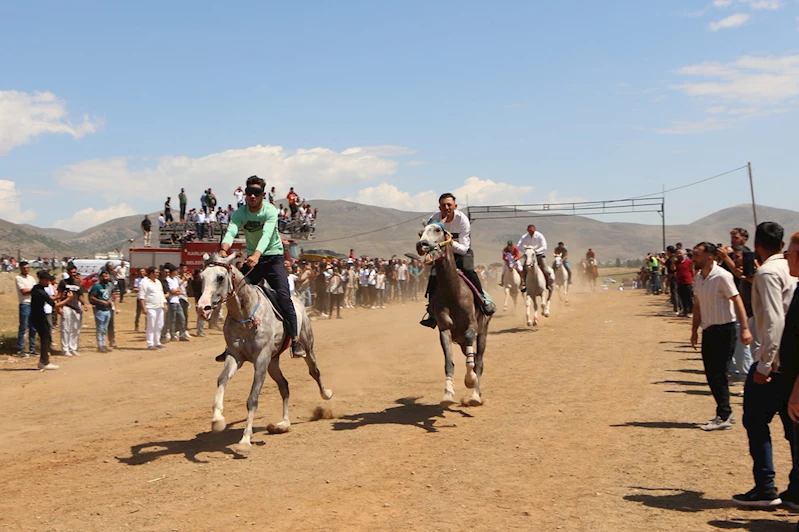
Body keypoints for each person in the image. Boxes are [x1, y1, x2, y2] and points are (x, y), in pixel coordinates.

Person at [733, 222, 798, 508]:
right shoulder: (788, 267)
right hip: (790, 362)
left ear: (757, 243)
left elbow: (774, 321)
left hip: (775, 363)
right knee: (791, 427)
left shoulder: (769, 271)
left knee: (756, 421)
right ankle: (795, 491)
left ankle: (765, 486)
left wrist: (764, 365)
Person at [220, 175, 305, 358]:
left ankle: (296, 340)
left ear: (263, 195)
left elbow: (267, 235)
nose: (252, 196)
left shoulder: (270, 211)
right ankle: (231, 344)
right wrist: (223, 249)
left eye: (256, 193)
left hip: (272, 259)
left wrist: (257, 255)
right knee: (234, 294)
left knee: (283, 297)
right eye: (249, 192)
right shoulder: (240, 213)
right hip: (254, 260)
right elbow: (231, 231)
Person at [691, 242, 753, 431]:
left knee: (719, 373)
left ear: (709, 257)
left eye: (697, 255)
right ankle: (725, 412)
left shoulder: (722, 276)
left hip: (725, 330)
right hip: (709, 331)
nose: (694, 258)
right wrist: (694, 330)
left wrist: (744, 328)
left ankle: (724, 415)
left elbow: (737, 300)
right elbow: (698, 305)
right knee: (711, 374)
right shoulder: (699, 278)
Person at [420, 193, 496, 328]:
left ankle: (483, 300)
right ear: (439, 207)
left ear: (455, 206)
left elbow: (464, 248)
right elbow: (430, 240)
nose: (447, 207)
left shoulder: (463, 220)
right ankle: (431, 312)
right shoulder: (434, 219)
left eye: (449, 204)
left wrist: (448, 242)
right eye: (443, 205)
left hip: (461, 253)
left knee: (468, 270)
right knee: (433, 276)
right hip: (442, 254)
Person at [30, 271, 74, 370]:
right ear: (41, 280)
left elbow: (48, 299)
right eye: (46, 280)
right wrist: (68, 299)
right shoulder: (40, 291)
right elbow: (55, 305)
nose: (48, 283)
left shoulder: (37, 288)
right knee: (46, 338)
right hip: (39, 317)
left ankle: (44, 360)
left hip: (38, 316)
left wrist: (60, 297)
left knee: (46, 337)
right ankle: (44, 362)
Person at [58, 266, 88, 357]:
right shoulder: (63, 282)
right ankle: (65, 349)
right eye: (71, 272)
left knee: (75, 328)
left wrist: (84, 304)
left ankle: (73, 347)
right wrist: (59, 307)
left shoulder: (78, 283)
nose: (73, 274)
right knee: (66, 328)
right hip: (66, 306)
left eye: (74, 272)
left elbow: (80, 295)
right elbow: (59, 294)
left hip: (76, 307)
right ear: (68, 272)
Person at [517, 224, 554, 291]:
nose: (531, 233)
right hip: (529, 256)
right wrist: (525, 251)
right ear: (527, 231)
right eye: (530, 231)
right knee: (524, 270)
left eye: (532, 231)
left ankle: (548, 284)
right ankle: (525, 285)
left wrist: (535, 251)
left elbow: (544, 246)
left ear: (535, 230)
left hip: (539, 255)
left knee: (546, 269)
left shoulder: (539, 236)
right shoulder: (524, 237)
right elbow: (519, 245)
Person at [138, 266, 167, 350]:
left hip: (159, 306)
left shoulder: (158, 282)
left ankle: (157, 342)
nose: (157, 274)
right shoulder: (145, 282)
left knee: (159, 325)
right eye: (155, 273)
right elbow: (141, 296)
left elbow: (161, 294)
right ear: (151, 273)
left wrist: (164, 304)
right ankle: (150, 343)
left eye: (157, 273)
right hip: (150, 307)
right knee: (151, 325)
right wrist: (144, 308)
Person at [88, 271, 115, 353]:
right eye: (104, 277)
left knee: (104, 329)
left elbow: (110, 296)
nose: (106, 278)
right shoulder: (96, 286)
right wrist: (101, 301)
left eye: (107, 276)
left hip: (107, 310)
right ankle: (100, 345)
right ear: (100, 277)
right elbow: (91, 297)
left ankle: (104, 344)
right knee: (100, 328)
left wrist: (110, 301)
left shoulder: (108, 286)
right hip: (100, 310)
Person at [15, 260, 37, 356]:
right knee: (24, 326)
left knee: (33, 327)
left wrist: (32, 290)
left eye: (27, 267)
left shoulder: (31, 278)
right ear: (20, 268)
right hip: (25, 304)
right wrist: (33, 290)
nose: (26, 269)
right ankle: (21, 348)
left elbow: (35, 290)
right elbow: (23, 291)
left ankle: (32, 348)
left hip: (33, 303)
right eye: (24, 268)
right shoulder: (18, 278)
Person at [165, 265, 189, 342]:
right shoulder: (168, 280)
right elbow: (172, 291)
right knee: (172, 319)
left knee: (182, 318)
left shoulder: (175, 279)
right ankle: (172, 335)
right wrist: (177, 291)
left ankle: (182, 335)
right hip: (172, 302)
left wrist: (177, 291)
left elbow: (178, 290)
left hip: (177, 301)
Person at [674, 249, 694, 317]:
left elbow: (693, 271)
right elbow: (673, 269)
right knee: (682, 297)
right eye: (677, 254)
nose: (679, 255)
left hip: (688, 282)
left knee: (689, 297)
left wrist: (694, 280)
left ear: (684, 254)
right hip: (679, 282)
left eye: (680, 253)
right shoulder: (676, 263)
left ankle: (691, 311)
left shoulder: (689, 262)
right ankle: (685, 310)